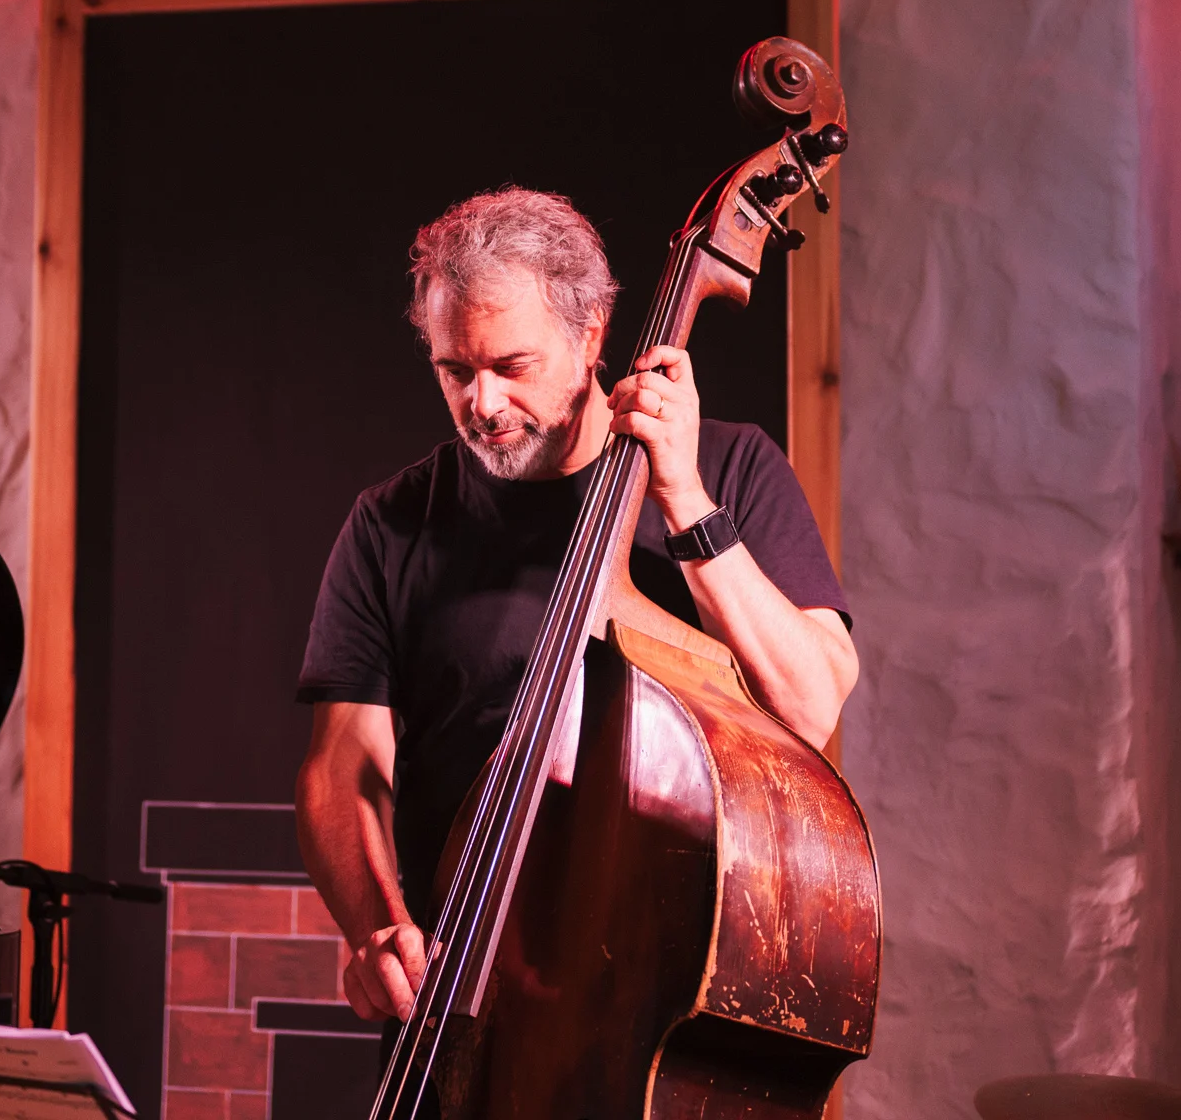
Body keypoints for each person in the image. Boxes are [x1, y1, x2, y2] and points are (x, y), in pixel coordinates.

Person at [293, 186, 856, 1026]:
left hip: (669, 993)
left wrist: (686, 501)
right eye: (455, 370)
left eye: (510, 368)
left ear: (590, 335)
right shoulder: (390, 522)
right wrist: (380, 928)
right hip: (465, 990)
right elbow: (344, 768)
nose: (480, 405)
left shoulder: (731, 468)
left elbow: (807, 710)